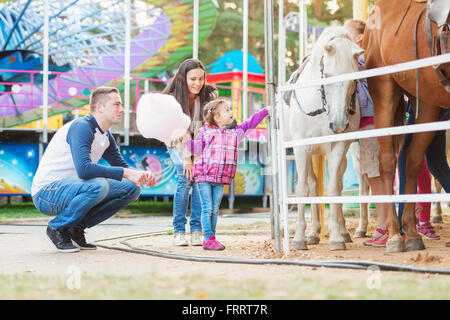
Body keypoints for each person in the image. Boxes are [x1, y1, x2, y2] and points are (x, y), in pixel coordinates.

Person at [31, 87, 156, 253]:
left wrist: (141, 176)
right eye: (116, 105)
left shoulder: (105, 135)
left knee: (132, 188)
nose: (122, 109)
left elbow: (122, 168)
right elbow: (84, 170)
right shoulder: (82, 127)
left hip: (73, 189)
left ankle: (76, 227)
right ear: (100, 108)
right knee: (99, 185)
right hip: (47, 194)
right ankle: (57, 228)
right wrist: (126, 173)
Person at [183, 99, 269, 250]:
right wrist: (186, 142)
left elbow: (251, 123)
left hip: (221, 178)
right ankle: (208, 239)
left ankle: (211, 238)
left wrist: (266, 110)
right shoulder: (205, 131)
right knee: (207, 207)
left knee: (215, 208)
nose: (231, 112)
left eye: (230, 109)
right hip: (204, 175)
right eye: (227, 110)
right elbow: (196, 149)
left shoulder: (235, 132)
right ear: (216, 117)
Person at [163, 58, 218, 246]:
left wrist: (199, 155)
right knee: (185, 176)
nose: (197, 83)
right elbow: (179, 132)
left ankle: (196, 229)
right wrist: (187, 158)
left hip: (198, 142)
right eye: (193, 79)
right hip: (176, 140)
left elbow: (209, 127)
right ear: (183, 78)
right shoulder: (173, 98)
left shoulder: (208, 96)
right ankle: (178, 231)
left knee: (200, 177)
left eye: (201, 79)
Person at [344, 19, 389, 247]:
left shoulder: (361, 58)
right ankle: (387, 224)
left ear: (359, 38)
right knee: (376, 175)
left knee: (375, 175)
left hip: (370, 121)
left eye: (347, 34)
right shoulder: (367, 56)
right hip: (369, 122)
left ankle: (384, 227)